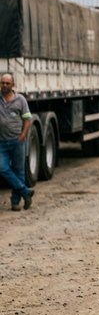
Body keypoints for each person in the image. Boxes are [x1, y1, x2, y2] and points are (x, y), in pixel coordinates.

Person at [0, 73, 35, 211]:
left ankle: (15, 202)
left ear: (13, 84)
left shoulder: (20, 100)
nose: (4, 85)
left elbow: (27, 119)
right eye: (2, 82)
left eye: (7, 83)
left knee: (18, 170)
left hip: (17, 141)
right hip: (1, 143)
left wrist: (23, 135)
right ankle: (25, 192)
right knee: (2, 168)